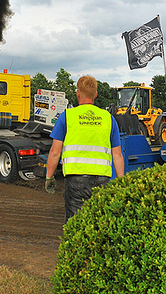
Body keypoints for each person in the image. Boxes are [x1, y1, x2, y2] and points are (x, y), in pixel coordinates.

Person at [45, 75, 125, 222]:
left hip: (75, 179)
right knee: (99, 222)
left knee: (75, 222)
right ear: (95, 94)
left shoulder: (67, 117)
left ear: (77, 93)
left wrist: (49, 177)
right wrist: (121, 182)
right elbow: (117, 154)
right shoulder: (108, 118)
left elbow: (55, 152)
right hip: (102, 179)